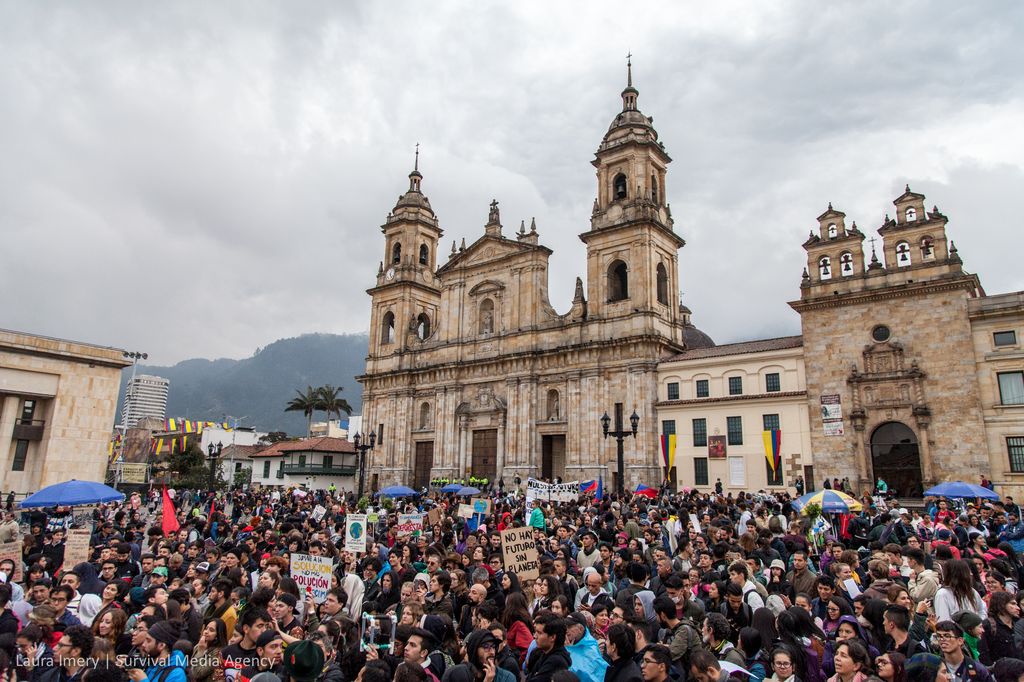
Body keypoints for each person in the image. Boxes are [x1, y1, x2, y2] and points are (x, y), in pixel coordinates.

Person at [441, 628, 515, 682]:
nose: (492, 652)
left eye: (493, 647)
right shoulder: (461, 675)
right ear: (474, 650)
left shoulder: (506, 678)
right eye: (486, 647)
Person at [525, 612, 570, 682]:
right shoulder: (544, 653)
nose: (535, 636)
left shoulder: (556, 662)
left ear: (552, 637)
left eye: (539, 633)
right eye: (535, 632)